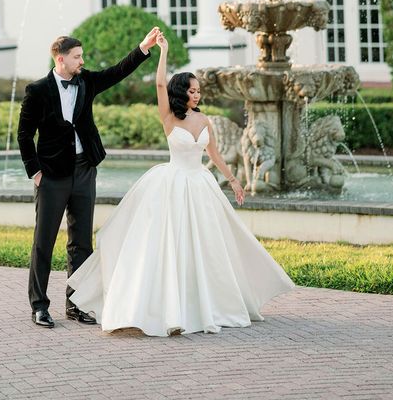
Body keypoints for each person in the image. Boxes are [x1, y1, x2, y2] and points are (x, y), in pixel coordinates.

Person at [68, 30, 295, 336]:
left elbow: (214, 154)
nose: (197, 95)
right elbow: (160, 83)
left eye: (199, 91)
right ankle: (168, 308)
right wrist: (162, 51)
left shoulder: (204, 121)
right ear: (181, 93)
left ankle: (209, 304)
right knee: (170, 245)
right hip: (171, 184)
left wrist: (234, 181)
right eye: (191, 91)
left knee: (209, 247)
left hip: (200, 185)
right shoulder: (169, 118)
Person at [17, 28, 159, 328]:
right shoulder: (38, 90)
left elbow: (117, 72)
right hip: (52, 176)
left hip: (84, 171)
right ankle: (39, 306)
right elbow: (24, 135)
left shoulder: (86, 82)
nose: (82, 61)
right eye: (77, 56)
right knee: (44, 242)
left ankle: (76, 304)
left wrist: (143, 48)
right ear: (60, 59)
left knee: (81, 243)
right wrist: (36, 171)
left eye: (82, 56)